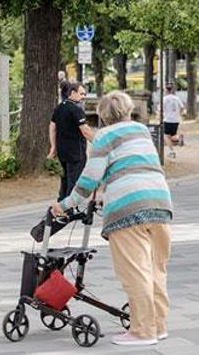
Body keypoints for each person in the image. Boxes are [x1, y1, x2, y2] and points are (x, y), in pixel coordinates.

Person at [51, 91, 173, 346]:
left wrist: (65, 204)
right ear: (129, 111)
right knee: (156, 269)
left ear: (104, 116)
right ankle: (158, 326)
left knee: (135, 272)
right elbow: (133, 166)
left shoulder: (104, 136)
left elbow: (89, 180)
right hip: (161, 203)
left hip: (128, 210)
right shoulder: (141, 130)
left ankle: (142, 331)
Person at [47, 82, 95, 203]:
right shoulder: (76, 109)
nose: (83, 96)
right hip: (75, 152)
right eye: (81, 93)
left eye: (85, 94)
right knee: (74, 181)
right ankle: (69, 208)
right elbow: (85, 131)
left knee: (65, 179)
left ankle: (61, 204)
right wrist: (99, 143)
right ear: (73, 93)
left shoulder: (59, 108)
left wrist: (53, 147)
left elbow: (52, 127)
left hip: (62, 152)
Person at [162, 83, 184, 158]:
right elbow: (182, 108)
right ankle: (179, 138)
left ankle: (172, 152)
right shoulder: (176, 98)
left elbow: (160, 109)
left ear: (166, 90)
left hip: (168, 119)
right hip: (176, 120)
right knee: (172, 136)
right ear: (172, 90)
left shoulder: (164, 99)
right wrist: (179, 114)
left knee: (166, 137)